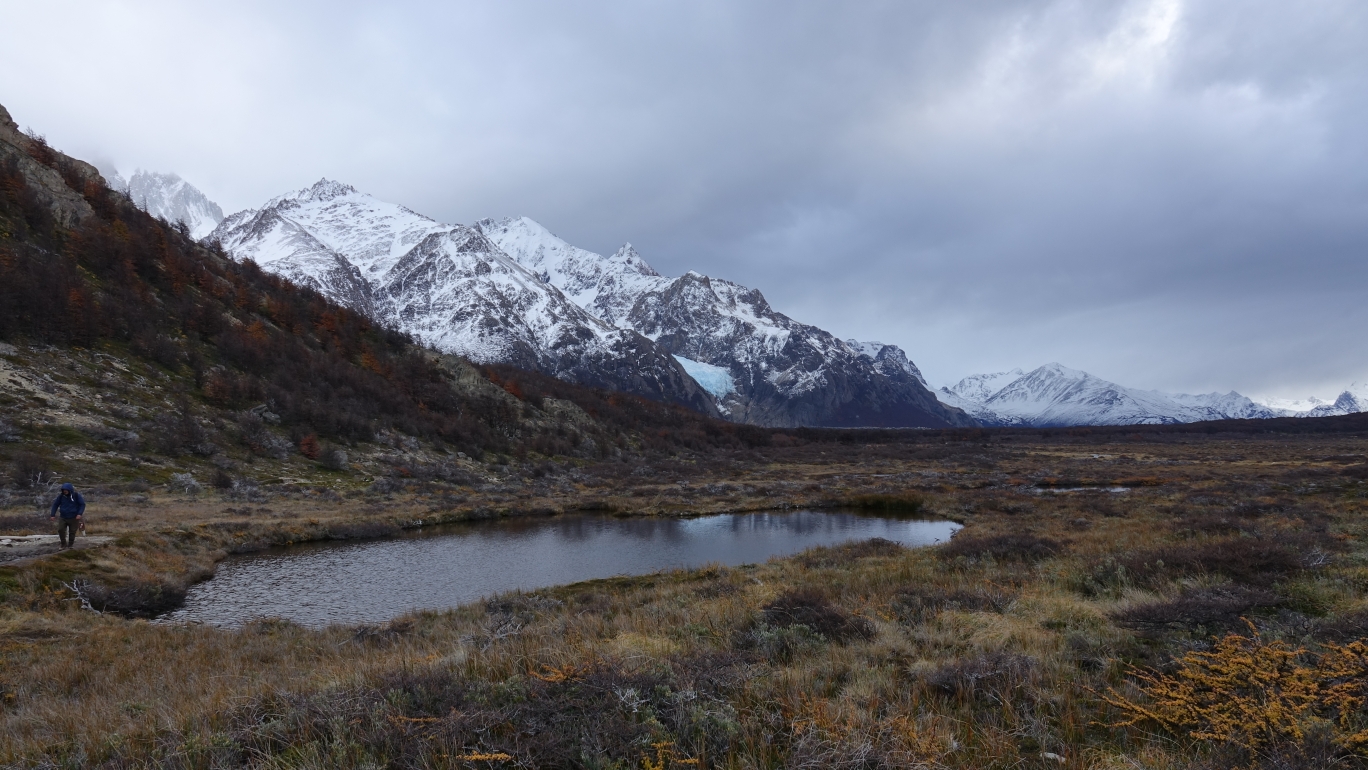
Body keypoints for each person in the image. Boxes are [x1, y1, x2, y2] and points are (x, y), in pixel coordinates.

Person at [49, 483, 85, 549]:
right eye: (63, 490)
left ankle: (70, 545)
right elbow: (55, 505)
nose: (64, 491)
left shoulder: (76, 496)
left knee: (72, 532)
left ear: (70, 490)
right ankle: (63, 544)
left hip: (74, 517)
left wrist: (79, 514)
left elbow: (82, 505)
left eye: (66, 490)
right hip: (63, 516)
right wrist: (52, 514)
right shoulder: (61, 496)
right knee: (61, 530)